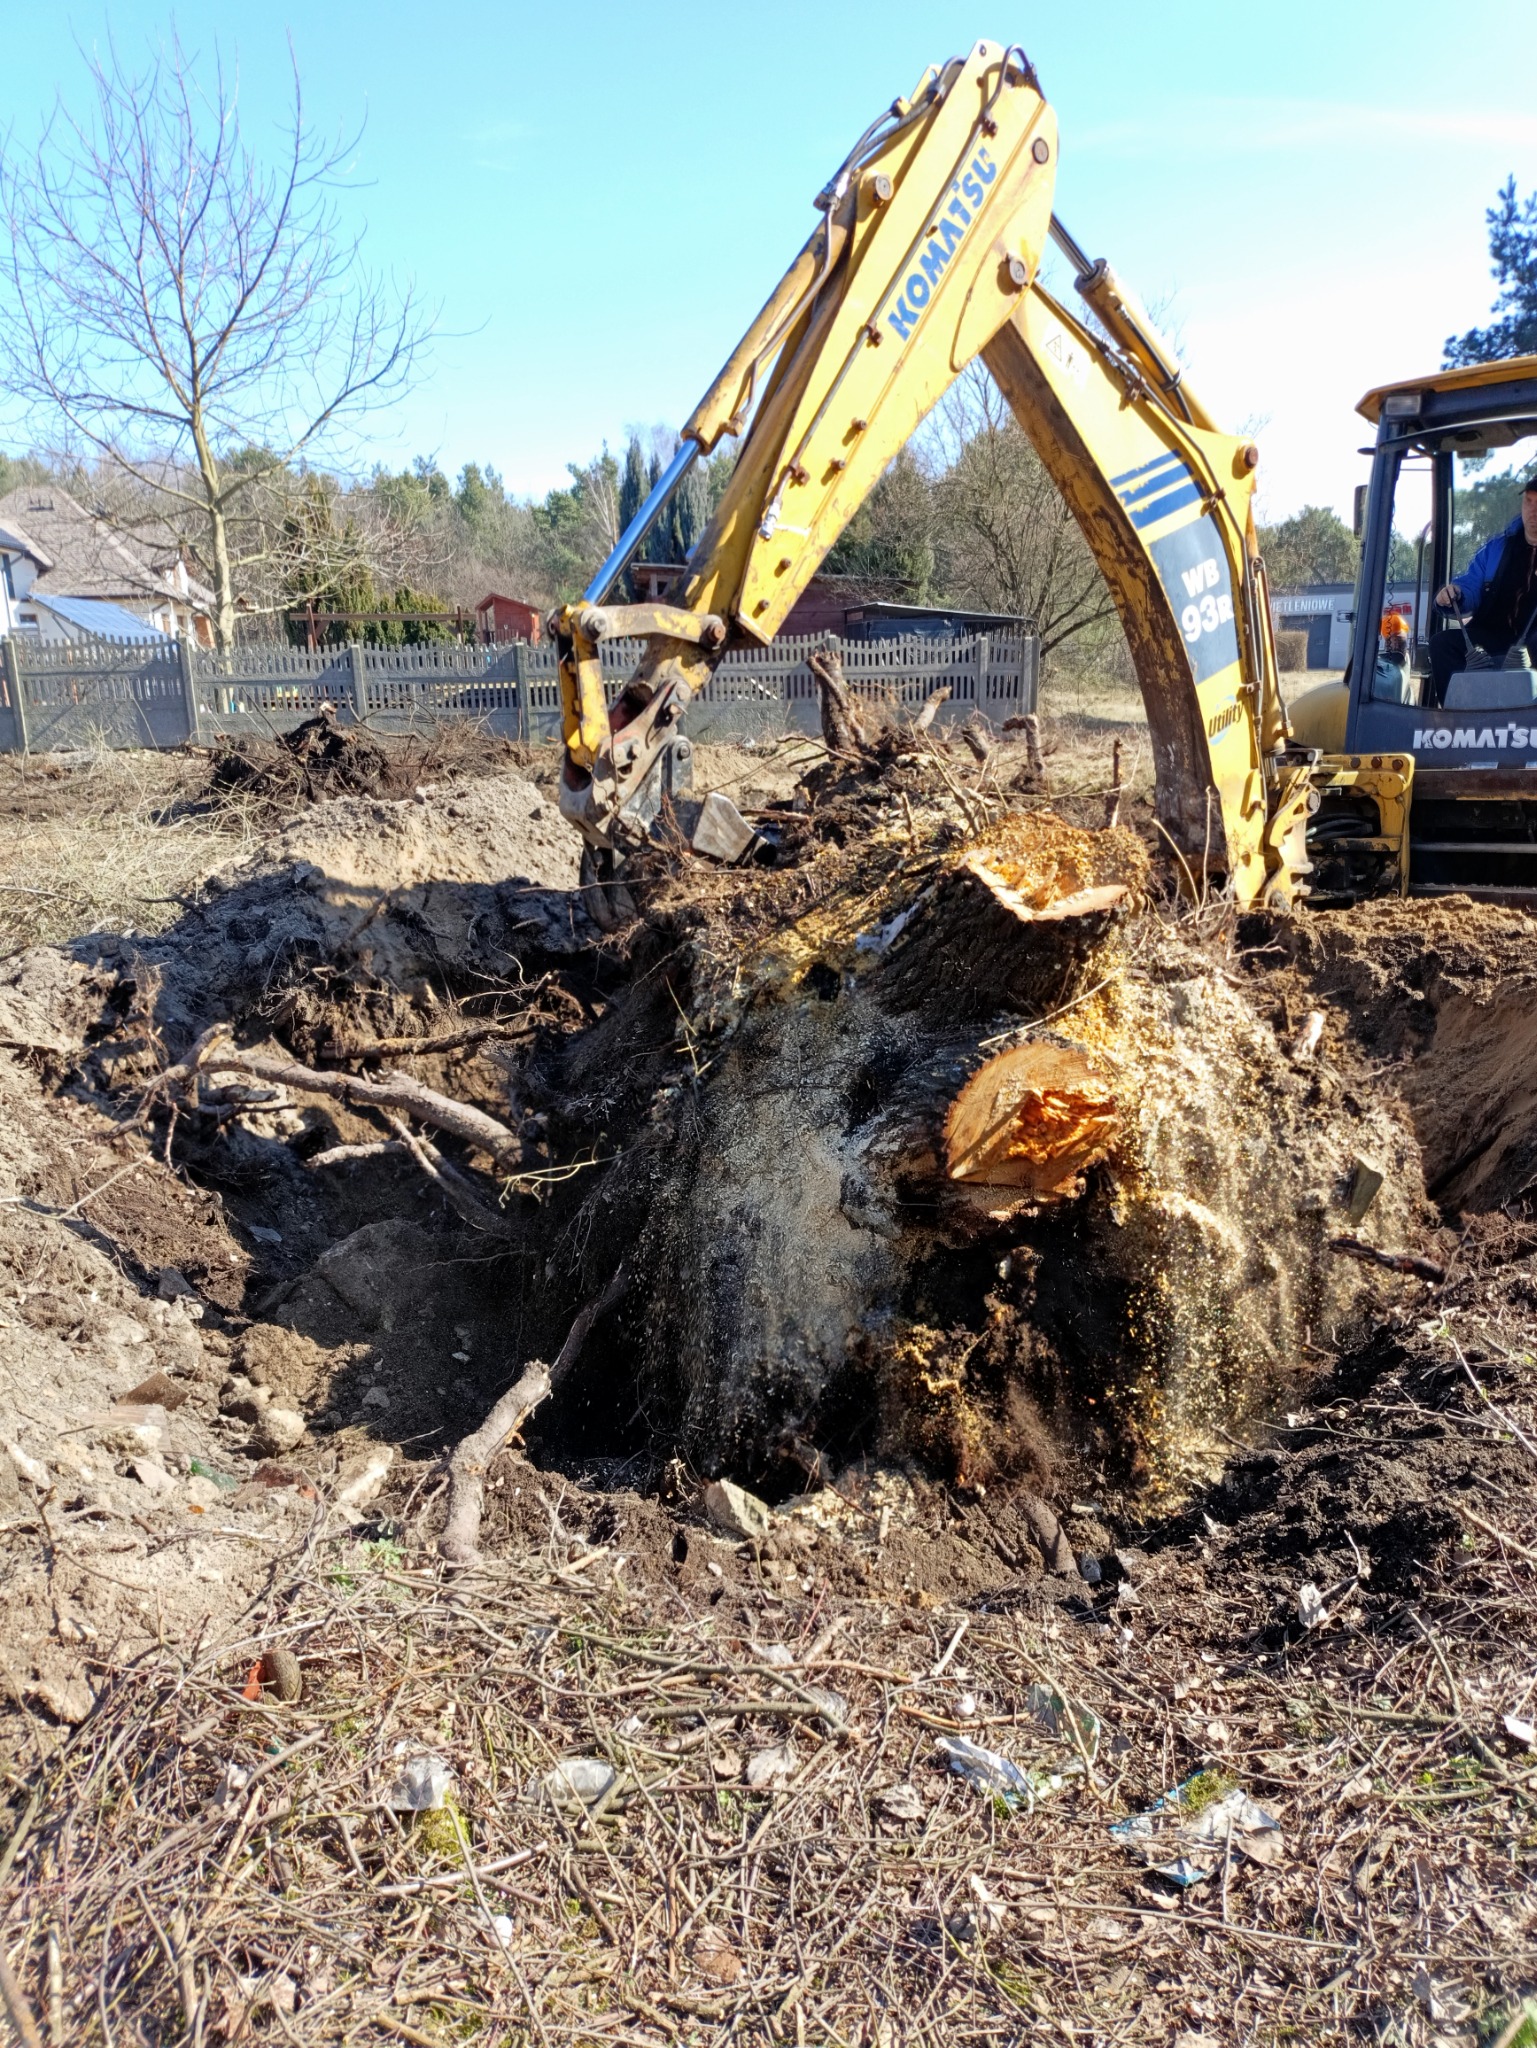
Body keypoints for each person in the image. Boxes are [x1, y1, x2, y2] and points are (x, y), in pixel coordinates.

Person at [1428, 473, 1537, 703]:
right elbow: (1470, 584)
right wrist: (1454, 594)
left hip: (1533, 641)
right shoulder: (1496, 548)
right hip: (1492, 636)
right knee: (1442, 644)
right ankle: (1455, 721)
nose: (1533, 510)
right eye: (1529, 501)